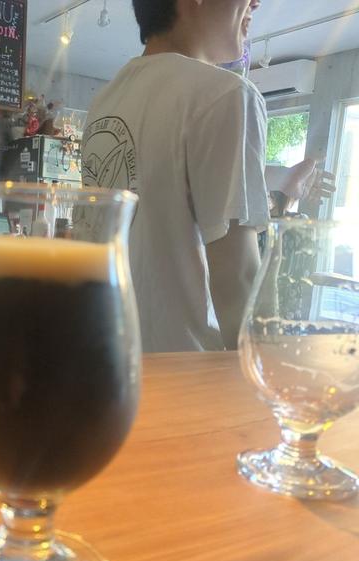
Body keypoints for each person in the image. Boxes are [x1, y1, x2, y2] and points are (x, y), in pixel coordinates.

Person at [82, 0, 268, 352]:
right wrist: (267, 378)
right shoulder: (226, 95)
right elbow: (238, 277)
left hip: (110, 358)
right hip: (188, 370)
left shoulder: (105, 101)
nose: (256, 2)